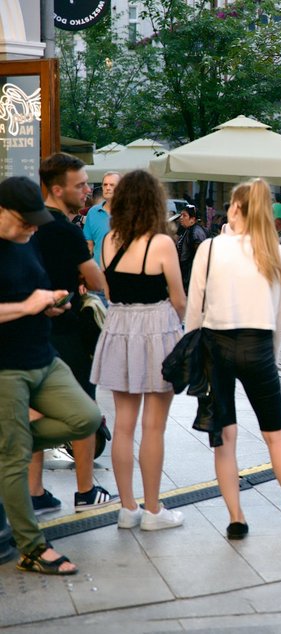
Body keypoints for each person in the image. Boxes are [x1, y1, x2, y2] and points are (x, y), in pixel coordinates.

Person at [186, 178, 281, 539]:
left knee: (225, 436)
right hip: (259, 345)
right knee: (275, 436)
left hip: (216, 345)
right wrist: (271, 357)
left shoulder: (212, 249)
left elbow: (194, 309)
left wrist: (193, 354)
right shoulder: (276, 252)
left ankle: (236, 519)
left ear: (235, 208)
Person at [0, 175, 102, 575]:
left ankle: (11, 448)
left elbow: (34, 290)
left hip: (45, 356)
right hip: (7, 367)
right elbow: (20, 302)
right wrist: (27, 306)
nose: (30, 227)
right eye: (24, 220)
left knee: (87, 419)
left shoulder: (28, 240)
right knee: (13, 459)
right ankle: (31, 547)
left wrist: (50, 305)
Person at [90, 170, 187, 531]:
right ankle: (152, 510)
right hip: (157, 327)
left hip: (120, 326)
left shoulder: (108, 240)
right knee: (154, 426)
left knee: (124, 423)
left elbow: (111, 293)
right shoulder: (161, 243)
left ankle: (127, 508)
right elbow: (178, 298)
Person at [29, 153, 114, 515]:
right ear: (58, 188)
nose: (87, 191)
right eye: (80, 185)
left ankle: (35, 491)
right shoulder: (66, 229)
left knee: (33, 408)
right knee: (85, 408)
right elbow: (97, 280)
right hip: (66, 330)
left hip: (32, 332)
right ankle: (84, 489)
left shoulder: (29, 224)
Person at [84, 171, 120, 269]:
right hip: (99, 273)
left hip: (123, 274)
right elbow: (89, 245)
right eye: (105, 185)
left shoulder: (129, 212)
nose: (108, 188)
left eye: (112, 185)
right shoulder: (93, 212)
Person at [176, 205, 208, 294]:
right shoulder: (188, 230)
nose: (181, 218)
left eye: (184, 215)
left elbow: (201, 256)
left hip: (191, 277)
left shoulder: (196, 232)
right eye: (181, 215)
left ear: (192, 219)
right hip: (187, 275)